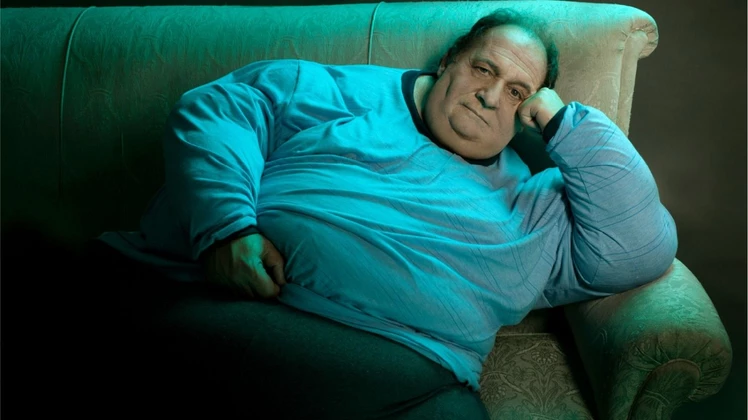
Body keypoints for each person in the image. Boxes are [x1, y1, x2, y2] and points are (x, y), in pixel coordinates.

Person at [82, 8, 676, 419]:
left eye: (518, 92)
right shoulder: (342, 93)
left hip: (407, 378)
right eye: (484, 69)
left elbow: (640, 246)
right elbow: (221, 108)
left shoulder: (535, 207)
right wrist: (226, 228)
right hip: (235, 311)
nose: (491, 96)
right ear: (450, 59)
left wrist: (565, 121)